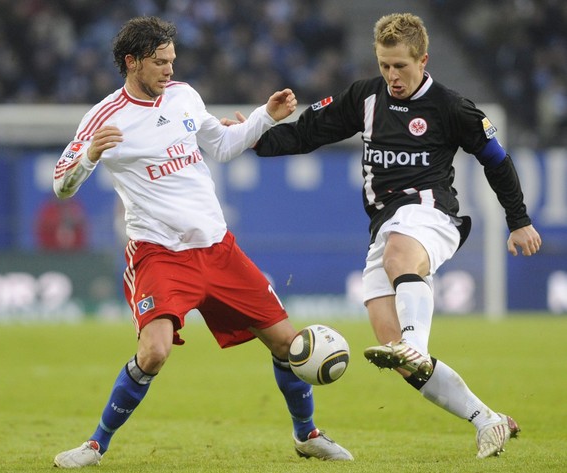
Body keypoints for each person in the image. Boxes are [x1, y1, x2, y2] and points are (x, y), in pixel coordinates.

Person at [52, 16, 352, 468]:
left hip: (217, 248)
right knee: (153, 352)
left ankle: (307, 435)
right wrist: (91, 156)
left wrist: (263, 118)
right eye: (159, 62)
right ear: (132, 63)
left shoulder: (185, 96)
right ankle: (95, 445)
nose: (169, 70)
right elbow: (62, 184)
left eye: (172, 60)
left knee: (289, 346)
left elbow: (225, 146)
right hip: (160, 253)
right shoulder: (104, 117)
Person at [253, 13, 541, 459]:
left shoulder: (452, 107)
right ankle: (488, 420)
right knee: (395, 349)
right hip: (384, 226)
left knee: (400, 263)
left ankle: (416, 344)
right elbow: (310, 132)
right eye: (385, 65)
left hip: (431, 214)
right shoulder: (365, 97)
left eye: (400, 66)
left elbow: (497, 160)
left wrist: (518, 219)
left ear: (423, 60)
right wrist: (252, 138)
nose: (392, 76)